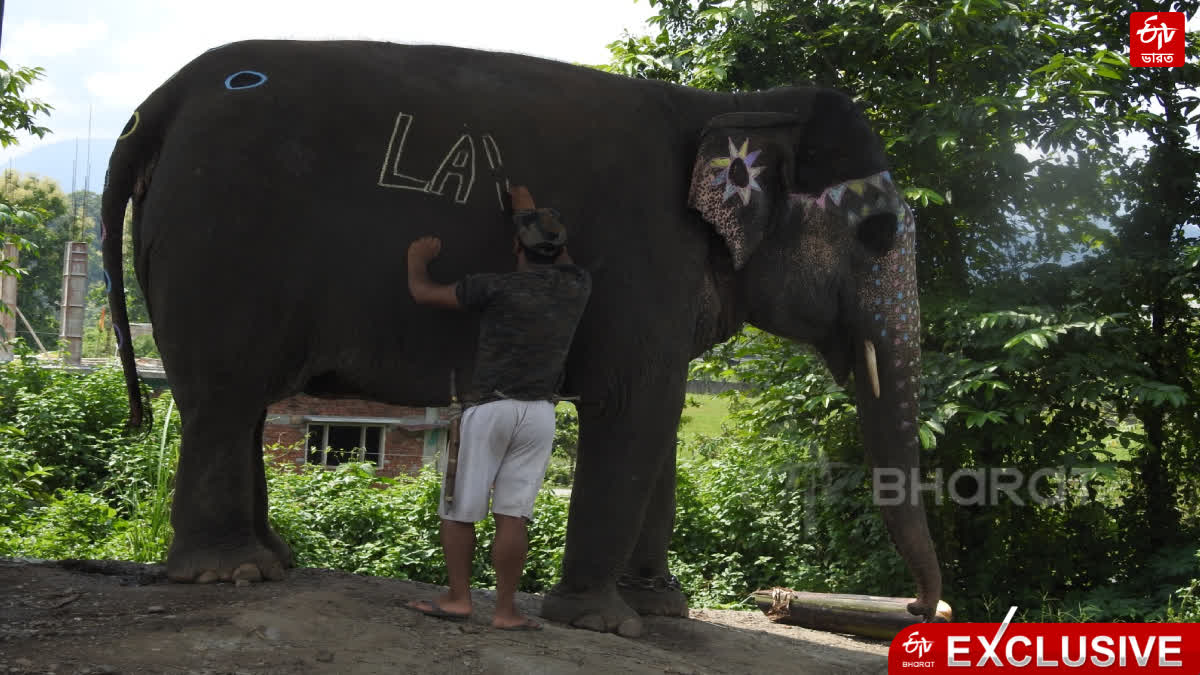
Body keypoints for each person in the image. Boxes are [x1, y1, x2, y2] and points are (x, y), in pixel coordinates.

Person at [404, 186, 592, 631]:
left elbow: (423, 293)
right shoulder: (577, 285)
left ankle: (458, 599)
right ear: (561, 249)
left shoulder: (493, 287)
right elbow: (558, 256)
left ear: (515, 248)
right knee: (514, 514)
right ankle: (506, 610)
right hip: (541, 415)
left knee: (460, 508)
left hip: (490, 410)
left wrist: (417, 257)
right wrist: (528, 214)